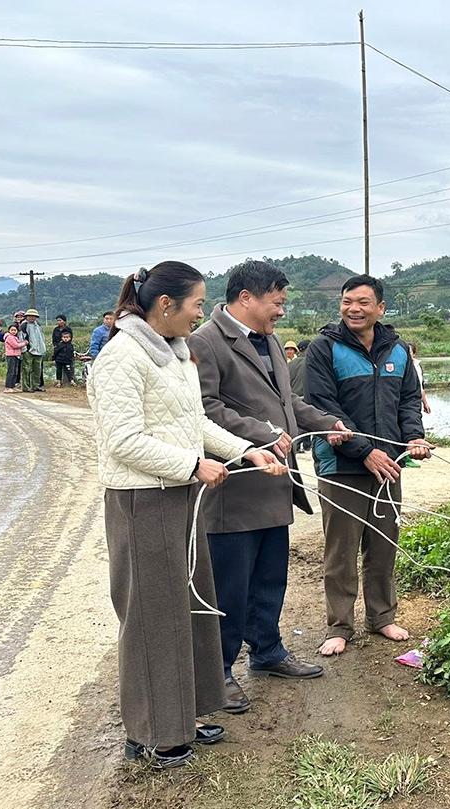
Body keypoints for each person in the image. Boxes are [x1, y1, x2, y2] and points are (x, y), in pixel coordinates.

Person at [87, 261, 283, 769]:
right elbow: (123, 440)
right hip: (142, 500)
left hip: (178, 495)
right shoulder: (121, 357)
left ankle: (181, 718)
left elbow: (195, 422)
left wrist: (247, 451)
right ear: (165, 304)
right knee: (152, 617)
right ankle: (152, 734)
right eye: (197, 304)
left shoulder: (175, 353)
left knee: (188, 609)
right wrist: (192, 465)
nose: (200, 313)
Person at [188, 260, 349, 714]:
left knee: (269, 577)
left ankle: (267, 650)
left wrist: (325, 422)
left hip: (276, 483)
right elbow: (204, 408)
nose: (281, 310)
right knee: (229, 586)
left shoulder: (272, 341)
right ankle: (218, 671)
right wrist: (261, 433)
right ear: (246, 298)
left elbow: (286, 401)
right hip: (235, 488)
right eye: (276, 302)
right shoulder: (205, 342)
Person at [303, 274, 431, 657]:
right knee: (341, 551)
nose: (353, 309)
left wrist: (414, 437)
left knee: (384, 545)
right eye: (347, 302)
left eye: (362, 302)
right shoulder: (324, 348)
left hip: (388, 466)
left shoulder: (398, 350)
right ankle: (339, 626)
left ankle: (382, 616)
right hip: (341, 466)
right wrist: (364, 452)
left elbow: (408, 401)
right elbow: (324, 406)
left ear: (380, 308)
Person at [19, 308, 46, 392]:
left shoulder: (38, 325)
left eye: (34, 316)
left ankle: (35, 385)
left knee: (37, 369)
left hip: (39, 350)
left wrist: (43, 347)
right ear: (26, 316)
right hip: (28, 350)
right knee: (26, 369)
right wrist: (24, 349)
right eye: (30, 316)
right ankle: (26, 387)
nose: (32, 317)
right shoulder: (24, 325)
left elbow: (42, 337)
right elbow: (21, 337)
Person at [407, 342, 430, 414]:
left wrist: (425, 403)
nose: (407, 354)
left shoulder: (417, 366)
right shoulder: (399, 366)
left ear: (414, 354)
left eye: (409, 352)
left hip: (414, 401)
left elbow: (420, 387)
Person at [3, 324, 25, 392]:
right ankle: (8, 387)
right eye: (12, 330)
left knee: (15, 371)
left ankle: (12, 386)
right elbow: (15, 345)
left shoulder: (14, 337)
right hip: (11, 355)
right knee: (11, 371)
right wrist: (24, 343)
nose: (13, 331)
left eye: (15, 330)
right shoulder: (9, 337)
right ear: (9, 330)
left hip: (16, 355)